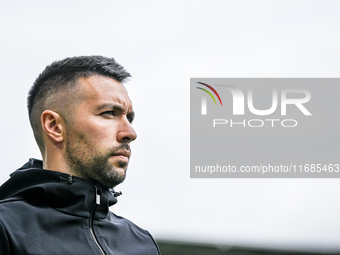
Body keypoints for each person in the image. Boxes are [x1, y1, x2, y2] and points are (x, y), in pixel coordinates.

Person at [0, 56, 161, 255]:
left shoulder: (142, 243)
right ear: (54, 126)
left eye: (129, 118)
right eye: (109, 113)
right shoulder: (6, 228)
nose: (130, 133)